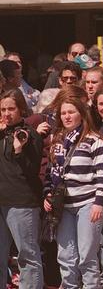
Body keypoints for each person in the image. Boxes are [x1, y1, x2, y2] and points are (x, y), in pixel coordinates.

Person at [43, 86, 103, 288]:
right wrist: (48, 194)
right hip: (63, 206)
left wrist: (99, 202)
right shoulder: (57, 141)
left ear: (81, 114)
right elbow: (50, 172)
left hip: (88, 204)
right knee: (65, 256)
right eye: (63, 113)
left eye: (71, 112)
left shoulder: (94, 140)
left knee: (87, 256)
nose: (66, 116)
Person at [0, 90, 44, 289]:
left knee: (27, 256)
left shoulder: (30, 134)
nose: (7, 113)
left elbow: (32, 170)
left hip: (22, 202)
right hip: (1, 201)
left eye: (11, 108)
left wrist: (19, 150)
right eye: (2, 109)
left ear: (21, 109)